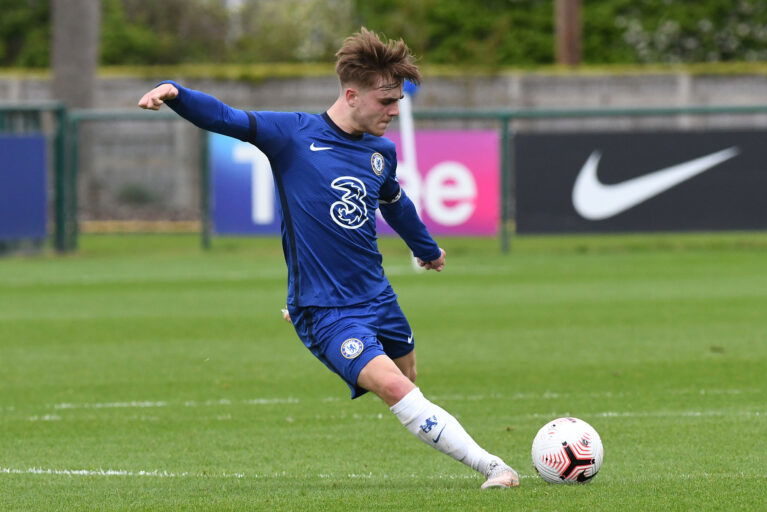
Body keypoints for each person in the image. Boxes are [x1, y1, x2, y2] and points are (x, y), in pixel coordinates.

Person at [138, 27, 519, 490]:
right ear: (352, 94)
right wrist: (177, 94)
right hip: (329, 310)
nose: (395, 111)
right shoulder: (293, 135)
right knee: (395, 388)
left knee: (408, 376)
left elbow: (394, 203)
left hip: (378, 294)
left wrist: (426, 249)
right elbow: (227, 117)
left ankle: (304, 313)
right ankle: (495, 468)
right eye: (386, 101)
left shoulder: (381, 152)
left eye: (398, 100)